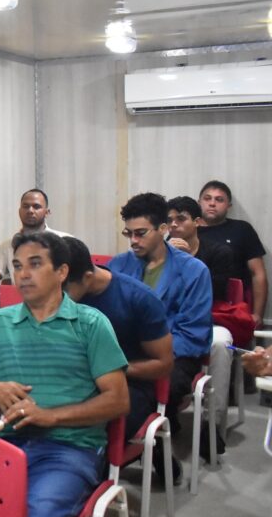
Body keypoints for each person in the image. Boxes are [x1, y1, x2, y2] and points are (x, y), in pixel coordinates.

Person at [0, 232, 129, 517]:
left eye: (35, 264)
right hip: (7, 443)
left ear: (61, 272)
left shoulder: (90, 324)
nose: (23, 275)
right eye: (17, 266)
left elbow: (118, 400)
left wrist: (51, 416)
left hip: (70, 449)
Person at [109, 193, 212, 454]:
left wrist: (152, 356)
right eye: (129, 233)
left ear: (163, 229)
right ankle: (154, 445)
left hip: (176, 353)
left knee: (160, 384)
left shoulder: (194, 271)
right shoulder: (118, 266)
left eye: (141, 233)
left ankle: (151, 440)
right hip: (126, 353)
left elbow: (192, 334)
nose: (133, 240)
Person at [63, 236, 172, 440]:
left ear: (87, 277)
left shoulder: (138, 298)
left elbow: (163, 364)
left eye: (64, 290)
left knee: (83, 429)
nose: (57, 298)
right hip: (72, 379)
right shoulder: (55, 299)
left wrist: (108, 369)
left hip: (130, 385)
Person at [168, 195, 236, 453]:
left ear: (197, 222)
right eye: (169, 220)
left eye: (181, 219)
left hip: (209, 318)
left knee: (220, 344)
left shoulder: (218, 252)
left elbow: (215, 290)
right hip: (173, 319)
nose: (174, 225)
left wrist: (188, 262)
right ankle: (167, 410)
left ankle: (211, 424)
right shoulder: (159, 251)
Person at [198, 180, 268, 328]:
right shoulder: (186, 230)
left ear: (228, 206)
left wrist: (258, 315)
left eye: (219, 200)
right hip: (194, 305)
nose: (212, 203)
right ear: (199, 202)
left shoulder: (241, 229)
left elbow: (258, 274)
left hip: (233, 307)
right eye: (207, 198)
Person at [0, 188, 71, 282]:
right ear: (19, 211)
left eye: (36, 207)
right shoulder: (7, 245)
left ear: (47, 212)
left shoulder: (65, 241)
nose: (30, 210)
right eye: (26, 206)